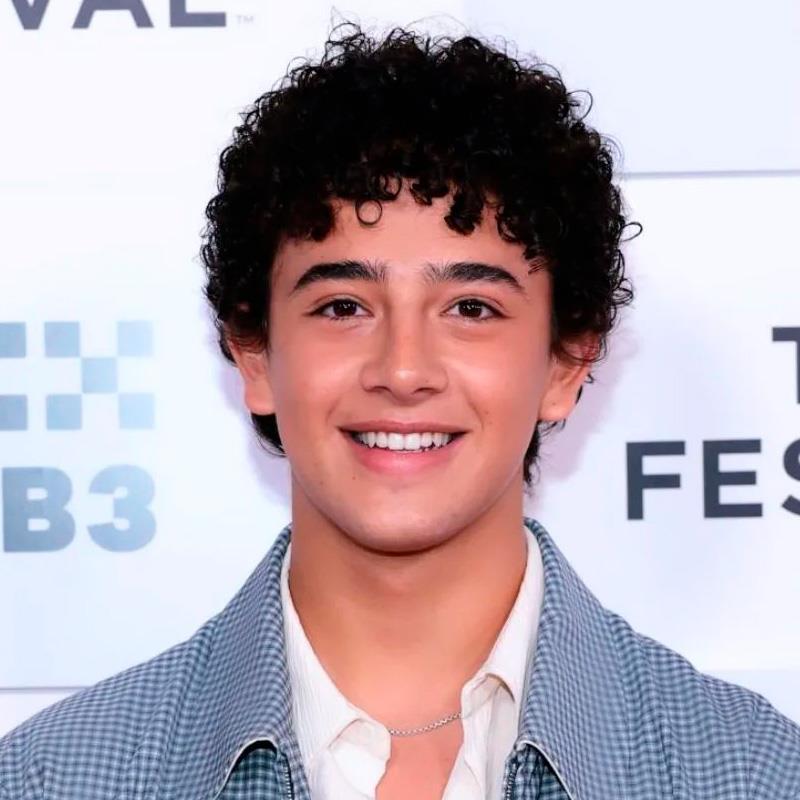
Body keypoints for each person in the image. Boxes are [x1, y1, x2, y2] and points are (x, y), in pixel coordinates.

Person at [2, 20, 799, 800]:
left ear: (566, 361)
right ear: (255, 356)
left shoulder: (749, 774)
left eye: (472, 309)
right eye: (344, 307)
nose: (404, 370)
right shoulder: (53, 778)